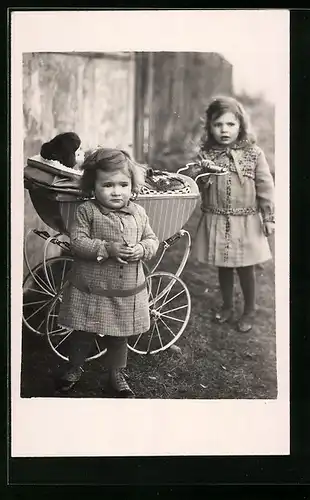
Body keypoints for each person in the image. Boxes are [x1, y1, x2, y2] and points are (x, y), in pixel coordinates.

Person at [56, 148, 159, 397]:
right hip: (92, 287)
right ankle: (74, 367)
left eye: (123, 184)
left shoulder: (139, 213)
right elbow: (78, 242)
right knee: (84, 330)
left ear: (132, 186)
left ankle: (116, 373)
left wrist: (142, 250)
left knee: (119, 335)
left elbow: (152, 239)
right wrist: (106, 248)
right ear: (93, 186)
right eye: (108, 184)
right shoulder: (87, 212)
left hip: (124, 289)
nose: (116, 191)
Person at [192, 96, 275, 332]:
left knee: (246, 267)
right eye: (218, 125)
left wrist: (268, 217)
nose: (224, 130)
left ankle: (249, 309)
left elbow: (265, 186)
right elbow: (197, 182)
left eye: (230, 124)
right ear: (209, 127)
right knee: (224, 266)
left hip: (246, 221)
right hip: (218, 219)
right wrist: (202, 172)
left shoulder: (253, 153)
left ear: (241, 125)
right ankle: (227, 305)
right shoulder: (206, 154)